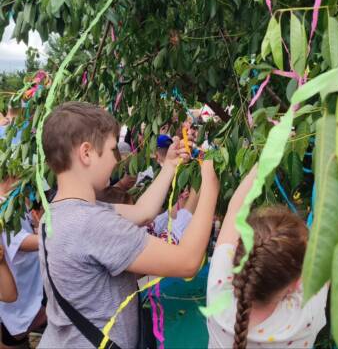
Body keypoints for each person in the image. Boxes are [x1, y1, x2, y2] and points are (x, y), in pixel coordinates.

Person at [39, 101, 219, 348]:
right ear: (86, 153)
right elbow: (188, 262)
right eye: (113, 150)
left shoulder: (60, 212)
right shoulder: (91, 224)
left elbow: (142, 212)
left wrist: (169, 166)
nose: (116, 161)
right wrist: (209, 186)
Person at [207, 166, 328, 349]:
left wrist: (261, 163)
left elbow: (235, 211)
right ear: (295, 285)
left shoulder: (219, 300)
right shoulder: (304, 316)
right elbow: (328, 234)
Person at [0, 177, 46, 348]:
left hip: (26, 287)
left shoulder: (18, 200)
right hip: (19, 296)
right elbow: (21, 242)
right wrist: (53, 237)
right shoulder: (3, 208)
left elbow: (10, 295)